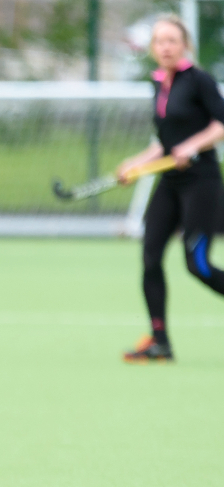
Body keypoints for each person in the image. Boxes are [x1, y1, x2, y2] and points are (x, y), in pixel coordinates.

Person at [118, 14, 224, 363]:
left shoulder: (199, 81)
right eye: (159, 41)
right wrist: (136, 163)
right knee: (150, 257)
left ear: (184, 46)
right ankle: (159, 340)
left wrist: (193, 147)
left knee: (197, 264)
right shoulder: (159, 85)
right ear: (152, 49)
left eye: (172, 40)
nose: (165, 46)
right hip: (171, 183)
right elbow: (165, 144)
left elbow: (220, 124)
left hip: (201, 182)